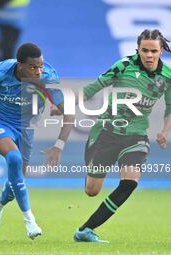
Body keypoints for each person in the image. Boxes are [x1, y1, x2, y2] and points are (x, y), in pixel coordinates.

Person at [0, 42, 74, 239]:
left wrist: (58, 146)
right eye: (33, 67)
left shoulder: (48, 76)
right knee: (14, 158)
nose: (38, 71)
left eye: (40, 66)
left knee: (17, 181)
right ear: (19, 65)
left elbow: (69, 116)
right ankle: (29, 220)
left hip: (26, 128)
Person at [74, 29, 171, 243]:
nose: (148, 55)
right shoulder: (124, 66)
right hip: (107, 133)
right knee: (92, 191)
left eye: (153, 51)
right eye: (144, 50)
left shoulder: (168, 76)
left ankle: (85, 229)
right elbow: (93, 88)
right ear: (138, 49)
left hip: (136, 136)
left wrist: (164, 131)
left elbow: (170, 107)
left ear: (161, 50)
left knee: (130, 182)